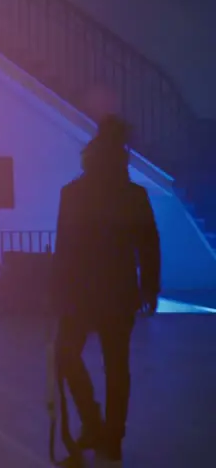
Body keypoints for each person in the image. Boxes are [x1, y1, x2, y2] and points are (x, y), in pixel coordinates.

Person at [52, 115, 160, 464]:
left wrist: (57, 293)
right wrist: (149, 288)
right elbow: (148, 245)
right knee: (117, 367)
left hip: (79, 293)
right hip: (119, 292)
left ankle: (92, 422)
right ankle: (111, 437)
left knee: (66, 356)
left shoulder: (73, 193)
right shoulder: (134, 195)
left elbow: (64, 249)